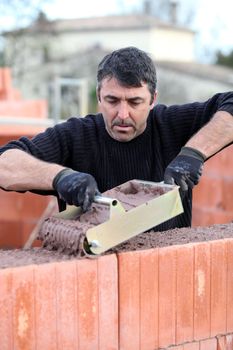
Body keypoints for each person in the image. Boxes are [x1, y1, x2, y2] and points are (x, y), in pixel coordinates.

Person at [0, 46, 232, 231]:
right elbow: (4, 163)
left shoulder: (171, 125)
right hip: (92, 273)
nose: (122, 114)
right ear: (99, 97)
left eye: (134, 102)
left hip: (165, 272)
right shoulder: (74, 135)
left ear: (152, 100)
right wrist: (60, 178)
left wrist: (193, 154)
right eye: (112, 101)